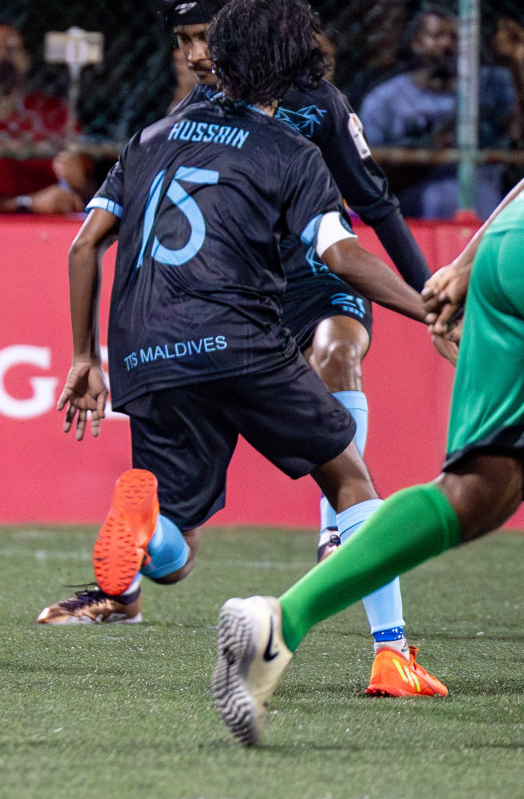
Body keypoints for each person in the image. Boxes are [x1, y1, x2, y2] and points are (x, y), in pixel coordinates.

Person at [38, 0, 447, 697]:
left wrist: (84, 357)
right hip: (238, 338)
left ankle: (144, 534)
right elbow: (343, 254)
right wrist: (428, 308)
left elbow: (83, 247)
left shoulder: (152, 137)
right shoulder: (292, 149)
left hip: (143, 347)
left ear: (220, 60)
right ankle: (392, 656)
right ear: (297, 72)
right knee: (349, 479)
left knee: (176, 547)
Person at [212, 176, 524, 746]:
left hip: (509, 246)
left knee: (479, 490)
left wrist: (466, 260)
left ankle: (283, 620)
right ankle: (378, 633)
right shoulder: (322, 123)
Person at [163, 0, 432, 605]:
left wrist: (433, 299)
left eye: (205, 37)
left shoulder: (320, 107)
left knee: (338, 351)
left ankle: (336, 528)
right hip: (243, 296)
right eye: (184, 42)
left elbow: (377, 206)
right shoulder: (196, 112)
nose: (195, 55)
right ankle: (128, 583)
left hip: (321, 275)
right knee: (180, 508)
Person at [360, 6, 523, 218]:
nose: (447, 44)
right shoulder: (386, 99)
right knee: (442, 196)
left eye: (455, 37)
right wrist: (431, 148)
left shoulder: (492, 84)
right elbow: (371, 173)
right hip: (417, 202)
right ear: (416, 43)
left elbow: (518, 133)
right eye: (437, 36)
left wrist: (517, 62)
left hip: (488, 196)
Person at [0, 23, 91, 215]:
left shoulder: (54, 112)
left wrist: (79, 183)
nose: (3, 59)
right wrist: (29, 203)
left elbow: (90, 194)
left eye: (11, 50)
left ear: (25, 59)